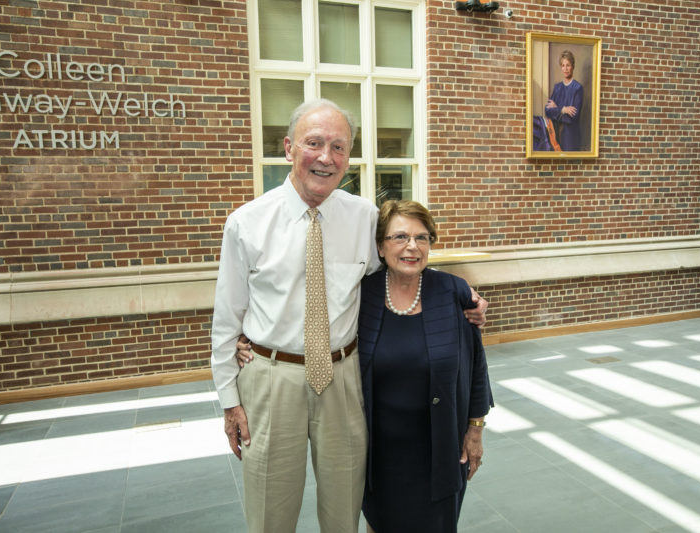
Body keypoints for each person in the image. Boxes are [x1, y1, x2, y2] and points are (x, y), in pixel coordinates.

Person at [211, 98, 488, 533]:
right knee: (270, 512)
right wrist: (230, 400)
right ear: (288, 148)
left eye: (339, 147)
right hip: (270, 376)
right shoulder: (246, 224)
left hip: (343, 377)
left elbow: (405, 256)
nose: (326, 157)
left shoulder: (364, 218)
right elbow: (227, 319)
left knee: (344, 508)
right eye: (314, 143)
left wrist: (459, 291)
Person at [358, 200, 493, 533]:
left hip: (441, 446)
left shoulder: (453, 292)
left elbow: (476, 366)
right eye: (399, 237)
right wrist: (251, 339)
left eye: (422, 238)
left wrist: (475, 429)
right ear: (380, 246)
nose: (412, 247)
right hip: (380, 452)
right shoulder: (361, 295)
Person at [545, 50, 583, 151]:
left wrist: (556, 108)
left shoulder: (577, 88)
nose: (565, 69)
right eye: (563, 65)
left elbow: (572, 118)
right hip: (556, 136)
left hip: (571, 138)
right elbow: (547, 111)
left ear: (573, 66)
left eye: (568, 65)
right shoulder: (557, 88)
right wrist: (563, 109)